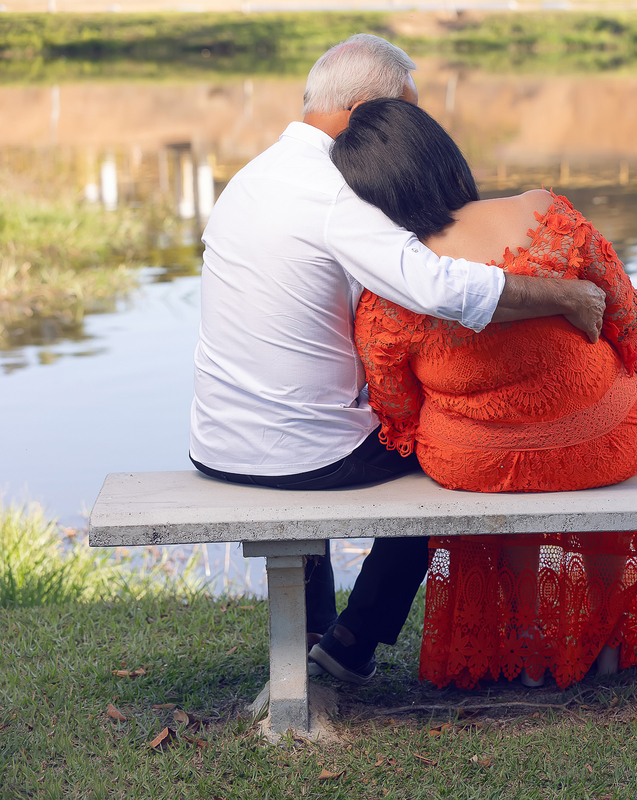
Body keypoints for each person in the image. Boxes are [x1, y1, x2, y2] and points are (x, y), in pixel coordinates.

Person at [188, 35, 606, 685]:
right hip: (301, 458)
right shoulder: (337, 192)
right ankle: (353, 640)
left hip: (217, 445)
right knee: (447, 456)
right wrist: (564, 296)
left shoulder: (252, 177)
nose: (414, 128)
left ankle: (314, 627)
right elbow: (437, 286)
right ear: (364, 112)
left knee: (328, 419)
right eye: (407, 111)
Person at [331, 98, 637, 689]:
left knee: (505, 455)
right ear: (442, 153)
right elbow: (627, 317)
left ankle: (531, 646)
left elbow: (398, 410)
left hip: (473, 463)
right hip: (599, 443)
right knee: (605, 423)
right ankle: (604, 638)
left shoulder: (393, 287)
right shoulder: (543, 213)